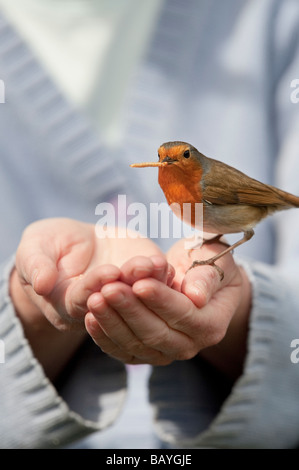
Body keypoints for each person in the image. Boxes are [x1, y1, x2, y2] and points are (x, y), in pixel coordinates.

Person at [1, 0, 299, 449]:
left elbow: (255, 206)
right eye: (164, 160)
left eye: (181, 158)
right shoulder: (173, 185)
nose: (170, 164)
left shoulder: (209, 181)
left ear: (194, 161)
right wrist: (30, 311)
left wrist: (235, 297)